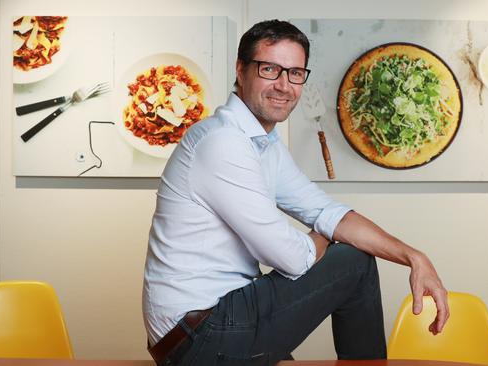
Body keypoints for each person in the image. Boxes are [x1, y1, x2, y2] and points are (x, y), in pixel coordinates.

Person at [142, 19, 449, 366]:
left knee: (346, 253)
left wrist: (413, 256)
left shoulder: (264, 144)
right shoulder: (223, 142)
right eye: (270, 69)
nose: (284, 85)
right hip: (200, 334)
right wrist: (322, 234)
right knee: (354, 261)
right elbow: (291, 258)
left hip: (216, 321)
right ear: (241, 70)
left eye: (295, 73)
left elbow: (327, 211)